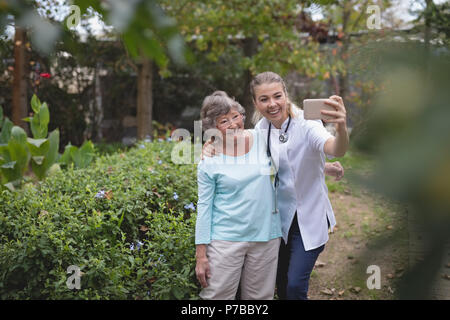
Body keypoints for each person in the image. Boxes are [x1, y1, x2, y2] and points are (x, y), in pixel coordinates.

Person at [250, 71, 349, 300]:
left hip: (309, 217)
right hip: (278, 220)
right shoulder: (260, 131)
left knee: (295, 286)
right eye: (264, 99)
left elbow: (335, 148)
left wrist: (342, 127)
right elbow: (284, 166)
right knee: (282, 285)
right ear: (255, 103)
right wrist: (211, 150)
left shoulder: (307, 123)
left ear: (286, 94)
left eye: (277, 96)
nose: (272, 104)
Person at [195, 91, 282, 300]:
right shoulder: (209, 159)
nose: (233, 124)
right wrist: (201, 255)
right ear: (213, 128)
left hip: (266, 236)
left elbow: (294, 155)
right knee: (217, 297)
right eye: (224, 121)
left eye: (235, 116)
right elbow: (204, 207)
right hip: (226, 239)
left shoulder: (263, 138)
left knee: (260, 299)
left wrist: (324, 166)